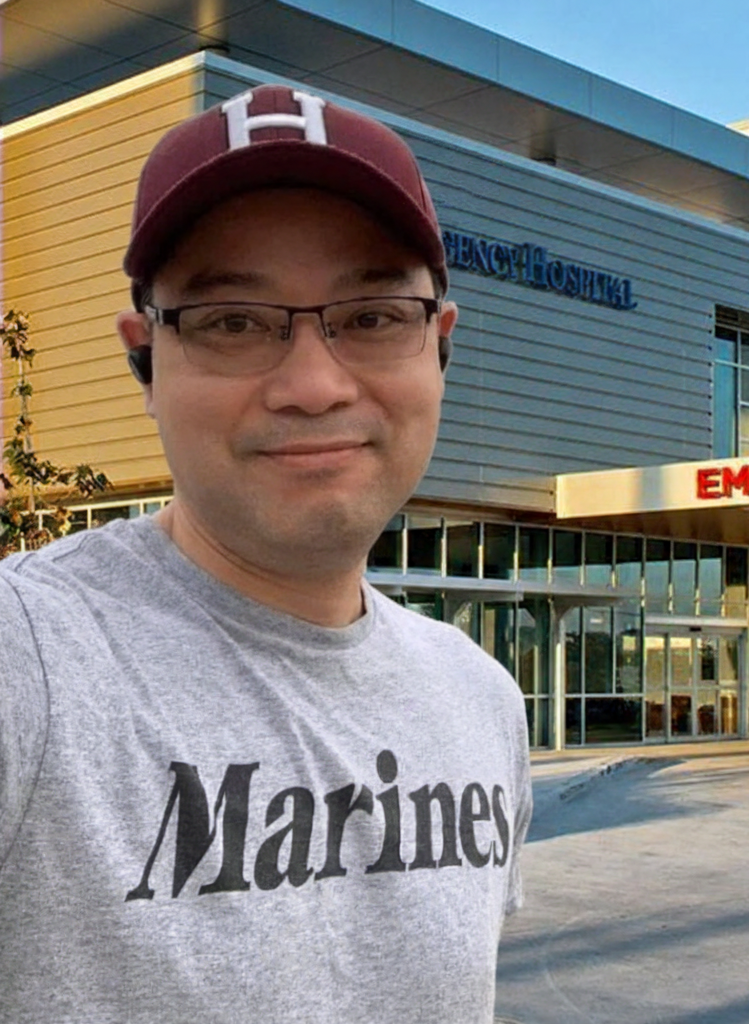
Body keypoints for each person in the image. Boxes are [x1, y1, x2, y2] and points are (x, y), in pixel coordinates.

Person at [0, 84, 532, 1024]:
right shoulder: (33, 659)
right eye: (233, 322)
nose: (314, 385)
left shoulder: (481, 696)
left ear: (439, 347)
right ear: (144, 362)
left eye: (372, 316)